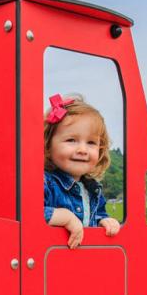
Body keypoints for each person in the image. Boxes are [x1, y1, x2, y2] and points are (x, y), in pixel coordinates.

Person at [43, 93, 121, 248]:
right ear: (48, 146)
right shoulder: (46, 183)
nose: (83, 150)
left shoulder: (92, 190)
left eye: (91, 142)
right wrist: (65, 217)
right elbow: (26, 215)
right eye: (71, 140)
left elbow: (96, 215)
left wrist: (103, 221)